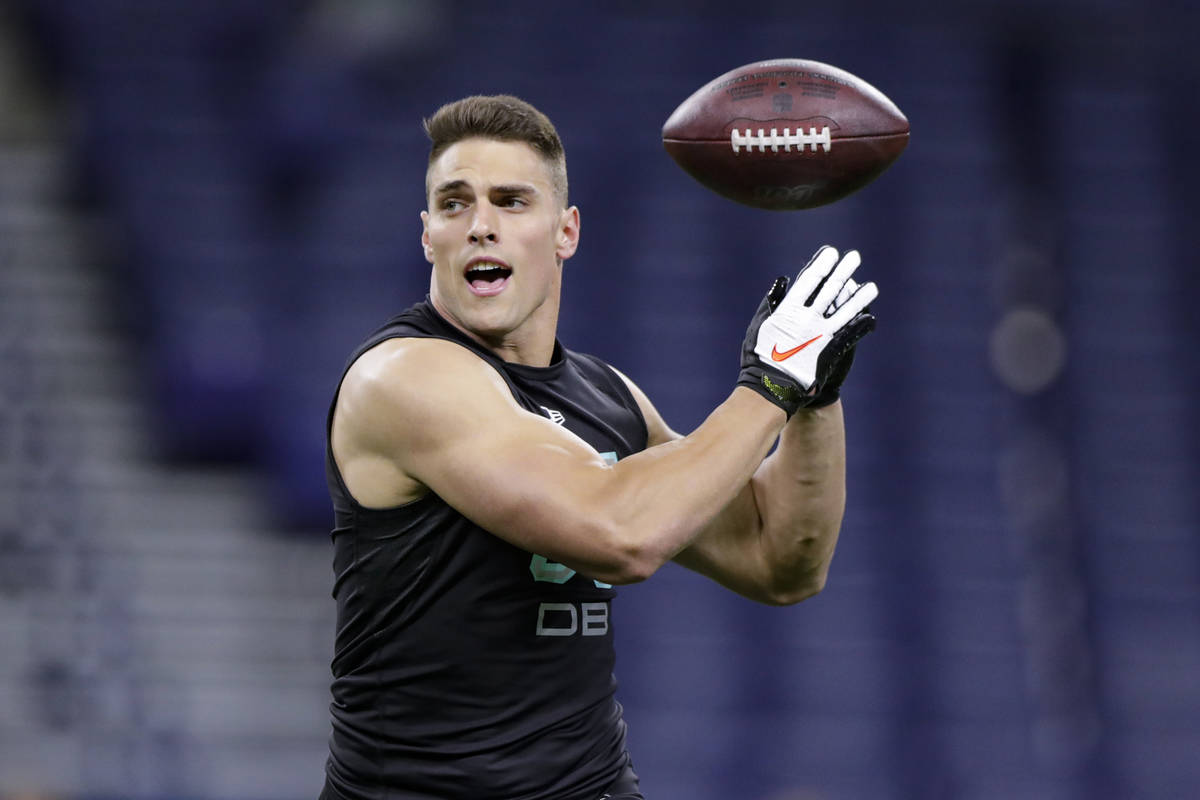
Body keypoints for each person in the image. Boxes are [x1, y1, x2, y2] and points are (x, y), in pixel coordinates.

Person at [320, 94, 878, 800]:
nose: (480, 226)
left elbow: (781, 561)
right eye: (454, 203)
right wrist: (770, 384)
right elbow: (621, 532)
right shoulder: (403, 377)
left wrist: (813, 398)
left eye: (512, 201)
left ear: (566, 232)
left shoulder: (606, 396)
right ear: (428, 234)